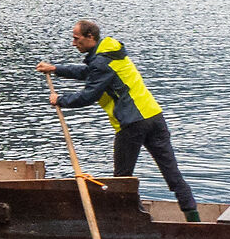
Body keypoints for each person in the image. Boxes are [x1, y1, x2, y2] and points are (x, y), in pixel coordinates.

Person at [38, 19, 201, 221]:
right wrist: (55, 69)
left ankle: (133, 220)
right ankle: (194, 220)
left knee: (122, 178)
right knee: (171, 172)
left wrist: (60, 100)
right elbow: (88, 73)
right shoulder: (110, 53)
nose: (73, 43)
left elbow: (88, 95)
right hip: (154, 117)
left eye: (76, 38)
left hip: (132, 123)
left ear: (90, 37)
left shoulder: (101, 62)